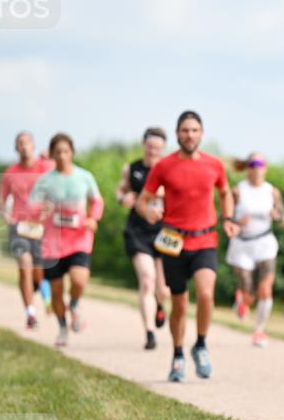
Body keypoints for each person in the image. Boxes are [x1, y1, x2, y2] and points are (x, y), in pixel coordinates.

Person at [136, 111, 238, 382]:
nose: (189, 135)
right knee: (179, 305)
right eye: (184, 130)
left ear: (201, 133)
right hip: (173, 242)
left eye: (194, 130)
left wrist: (227, 217)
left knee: (205, 294)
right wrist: (148, 213)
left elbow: (225, 192)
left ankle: (201, 345)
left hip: (205, 239)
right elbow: (143, 200)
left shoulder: (214, 165)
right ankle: (178, 355)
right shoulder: (164, 166)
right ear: (177, 133)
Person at [30, 133, 105, 348]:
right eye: (58, 152)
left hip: (79, 238)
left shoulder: (84, 177)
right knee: (55, 290)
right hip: (52, 244)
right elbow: (32, 207)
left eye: (66, 151)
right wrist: (40, 212)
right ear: (52, 154)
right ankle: (63, 327)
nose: (62, 156)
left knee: (79, 280)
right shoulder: (45, 180)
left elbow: (97, 201)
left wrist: (93, 218)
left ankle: (74, 303)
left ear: (71, 152)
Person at [227, 153, 284, 347]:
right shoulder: (237, 191)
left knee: (265, 290)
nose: (257, 167)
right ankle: (243, 300)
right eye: (253, 164)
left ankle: (259, 331)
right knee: (249, 296)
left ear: (265, 167)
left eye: (260, 163)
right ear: (247, 167)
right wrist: (237, 222)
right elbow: (226, 221)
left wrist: (277, 215)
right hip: (242, 245)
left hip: (265, 243)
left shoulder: (272, 192)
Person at [117, 127, 171, 350]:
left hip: (165, 232)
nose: (153, 150)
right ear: (144, 145)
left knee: (163, 289)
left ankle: (160, 305)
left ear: (163, 148)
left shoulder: (170, 169)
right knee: (147, 280)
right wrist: (123, 198)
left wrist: (162, 196)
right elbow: (121, 192)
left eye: (157, 147)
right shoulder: (132, 169)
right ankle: (149, 332)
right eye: (150, 146)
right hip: (138, 231)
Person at [0, 131, 55, 329]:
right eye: (20, 144)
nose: (24, 147)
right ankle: (30, 313)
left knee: (39, 273)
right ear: (16, 148)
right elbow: (2, 200)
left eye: (27, 143)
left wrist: (49, 207)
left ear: (33, 146)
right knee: (25, 265)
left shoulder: (46, 167)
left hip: (41, 227)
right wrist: (5, 215)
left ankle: (42, 291)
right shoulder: (10, 173)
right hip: (19, 227)